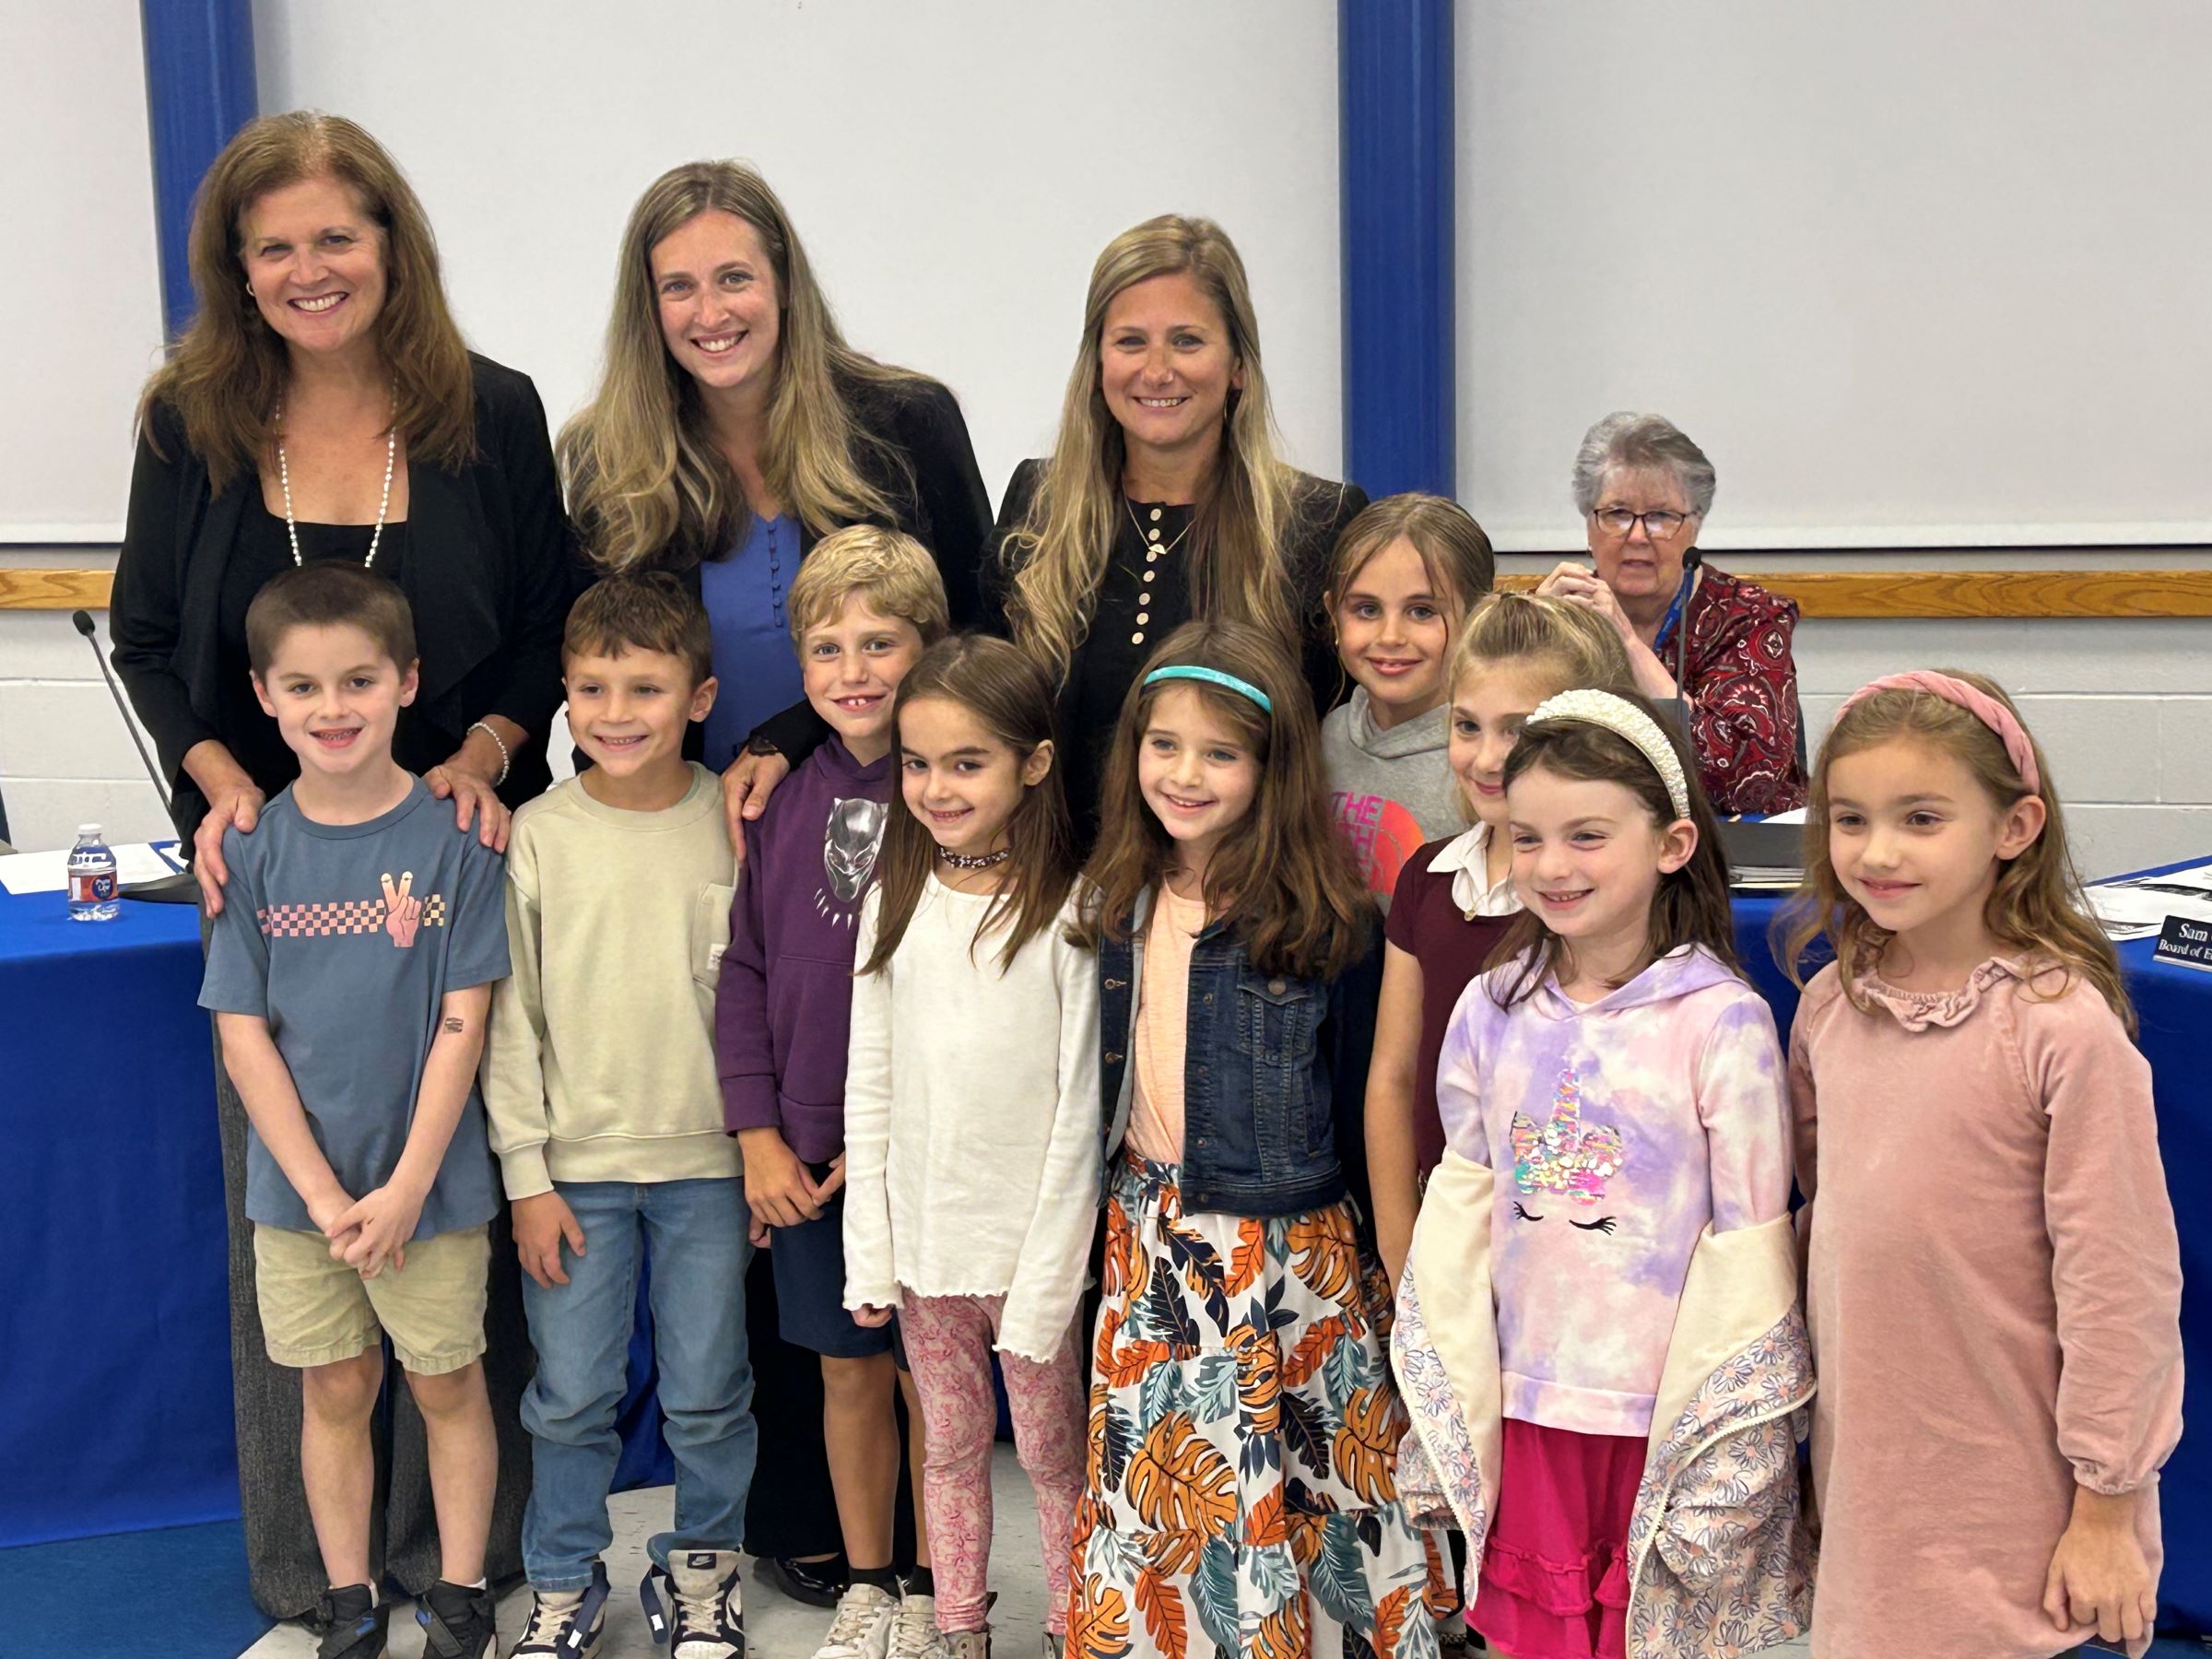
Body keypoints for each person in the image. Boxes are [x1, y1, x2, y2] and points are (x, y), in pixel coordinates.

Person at [108, 110, 564, 1615]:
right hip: (275, 868)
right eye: (275, 247)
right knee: (303, 1248)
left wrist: (487, 754)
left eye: (336, 237)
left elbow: (547, 630)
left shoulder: (490, 411)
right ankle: (330, 1579)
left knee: (449, 1239)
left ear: (391, 247)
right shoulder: (189, 423)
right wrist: (225, 782)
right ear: (238, 273)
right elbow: (155, 638)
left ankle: (467, 1568)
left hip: (450, 868)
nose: (311, 269)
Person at [1391, 687, 1812, 1659]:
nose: (1551, 866)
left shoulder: (1722, 1023)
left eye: (1587, 836)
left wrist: (1735, 1448)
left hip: (1659, 1423)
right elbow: (1461, 1211)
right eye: (1527, 837)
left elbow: (1748, 1250)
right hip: (1530, 1406)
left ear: (1669, 845)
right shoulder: (1491, 1007)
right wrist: (1442, 1391)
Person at [1779, 670, 2183, 1659]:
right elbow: (1822, 1219)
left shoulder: (2061, 1032)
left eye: (1921, 818)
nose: (1877, 851)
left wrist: (2106, 1502)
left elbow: (2119, 1286)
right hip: (1873, 1474)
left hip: (2012, 1492)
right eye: (1850, 818)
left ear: (2014, 827)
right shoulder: (1831, 1007)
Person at [1073, 620, 1448, 1659]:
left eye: (1220, 753)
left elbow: (1370, 1092)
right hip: (1153, 1243)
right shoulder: (1120, 900)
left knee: (1316, 1496)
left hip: (1291, 1256)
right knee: (1174, 1497)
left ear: (1271, 766)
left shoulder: (1326, 919)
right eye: (1165, 745)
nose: (1185, 775)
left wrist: (1387, 1257)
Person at [198, 563, 510, 1659]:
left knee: (448, 1379)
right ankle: (349, 1595)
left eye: (360, 681)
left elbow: (463, 1026)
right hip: (303, 1200)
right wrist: (330, 1196)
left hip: (433, 1186)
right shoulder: (244, 849)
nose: (334, 709)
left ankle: (462, 1587)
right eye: (305, 687)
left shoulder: (459, 840)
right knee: (335, 1387)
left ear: (408, 683)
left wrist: (409, 1186)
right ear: (265, 696)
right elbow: (245, 1035)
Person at [560, 159, 993, 856]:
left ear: (785, 283)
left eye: (735, 278)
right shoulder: (603, 460)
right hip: (692, 837)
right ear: (649, 307)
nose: (711, 314)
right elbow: (599, 663)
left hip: (897, 820)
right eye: (679, 288)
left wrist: (790, 739)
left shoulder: (908, 422)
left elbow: (976, 637)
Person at [483, 573, 754, 1658]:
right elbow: (510, 1022)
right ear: (561, 695)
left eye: (645, 687)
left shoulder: (737, 823)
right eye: (591, 687)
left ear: (700, 696)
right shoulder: (537, 836)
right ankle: (560, 1578)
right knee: (573, 1396)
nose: (615, 711)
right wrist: (526, 1176)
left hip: (713, 1172)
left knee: (706, 1392)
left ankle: (703, 1568)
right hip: (573, 1175)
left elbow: (763, 1001)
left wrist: (762, 1152)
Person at [716, 527, 951, 1659]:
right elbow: (747, 973)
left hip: (921, 1155)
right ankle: (867, 1582)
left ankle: (936, 1585)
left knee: (931, 1384)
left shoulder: (957, 796)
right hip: (808, 1160)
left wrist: (902, 1136)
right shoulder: (780, 801)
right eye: (827, 648)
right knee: (846, 1374)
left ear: (931, 648)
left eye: (881, 643)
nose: (853, 670)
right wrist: (759, 1137)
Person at [843, 635, 1099, 1659]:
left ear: (1032, 763)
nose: (937, 787)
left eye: (966, 762)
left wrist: (1047, 1281)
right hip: (925, 1258)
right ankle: (958, 1630)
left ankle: (1077, 1630)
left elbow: (1082, 1113)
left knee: (1050, 1455)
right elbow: (870, 1093)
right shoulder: (892, 905)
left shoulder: (1070, 914)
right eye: (917, 763)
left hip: (1028, 1256)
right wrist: (875, 1254)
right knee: (945, 1449)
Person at [987, 215, 1369, 831]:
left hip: (1240, 904)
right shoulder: (1038, 504)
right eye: (1131, 341)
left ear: (1239, 363)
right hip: (1055, 897)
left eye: (1187, 341)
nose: (1158, 370)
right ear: (1096, 362)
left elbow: (1347, 747)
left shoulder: (1320, 523)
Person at [1365, 593, 1633, 1288]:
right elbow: (1394, 1079)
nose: (1487, 758)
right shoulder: (1427, 878)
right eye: (1467, 725)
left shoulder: (1595, 897)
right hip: (1444, 1245)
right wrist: (1403, 1257)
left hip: (1570, 1253)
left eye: (1518, 732)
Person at [1534, 413, 1806, 815]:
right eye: (1617, 514)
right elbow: (1499, 748)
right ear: (1589, 525)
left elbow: (1743, 783)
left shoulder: (1749, 618)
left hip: (1728, 853)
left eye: (1660, 516)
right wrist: (1529, 636)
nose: (1637, 536)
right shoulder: (1556, 610)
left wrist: (1627, 642)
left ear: (1695, 526)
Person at [1319, 493, 1497, 907]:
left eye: (1421, 611)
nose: (1391, 636)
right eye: (1366, 610)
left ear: (1477, 616)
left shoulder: (1488, 760)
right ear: (1333, 614)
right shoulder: (1327, 737)